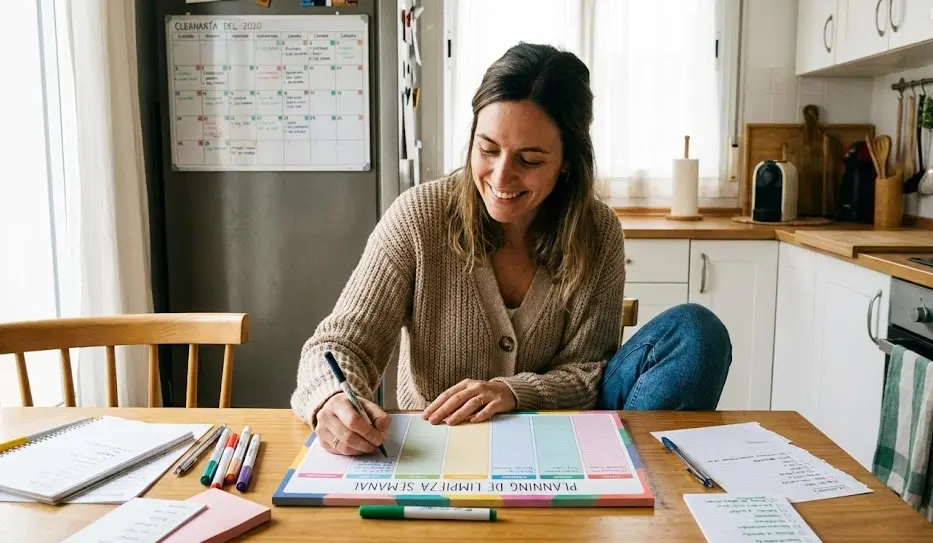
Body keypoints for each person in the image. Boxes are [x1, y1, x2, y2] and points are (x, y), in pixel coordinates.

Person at [290, 42, 732, 456]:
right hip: (440, 446)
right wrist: (330, 398)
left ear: (566, 165)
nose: (501, 178)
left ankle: (637, 479)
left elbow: (588, 375)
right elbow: (338, 344)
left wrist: (510, 392)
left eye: (530, 160)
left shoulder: (598, 232)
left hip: (557, 436)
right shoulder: (419, 217)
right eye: (488, 150)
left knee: (697, 333)